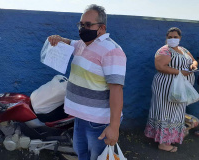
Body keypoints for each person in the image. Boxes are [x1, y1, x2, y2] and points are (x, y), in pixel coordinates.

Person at [48, 4, 126, 160]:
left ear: (102, 28)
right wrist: (58, 39)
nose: (83, 28)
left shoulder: (112, 51)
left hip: (98, 121)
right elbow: (70, 42)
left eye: (88, 25)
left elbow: (116, 90)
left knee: (97, 157)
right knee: (82, 155)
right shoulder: (83, 44)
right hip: (80, 117)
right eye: (81, 24)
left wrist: (114, 127)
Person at [144, 27, 198, 152]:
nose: (173, 39)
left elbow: (194, 60)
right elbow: (160, 66)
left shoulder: (183, 50)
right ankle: (163, 143)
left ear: (180, 38)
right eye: (170, 37)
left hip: (180, 89)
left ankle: (170, 137)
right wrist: (181, 72)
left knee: (176, 114)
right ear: (166, 38)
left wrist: (193, 65)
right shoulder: (164, 50)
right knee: (165, 113)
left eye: (175, 37)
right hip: (166, 87)